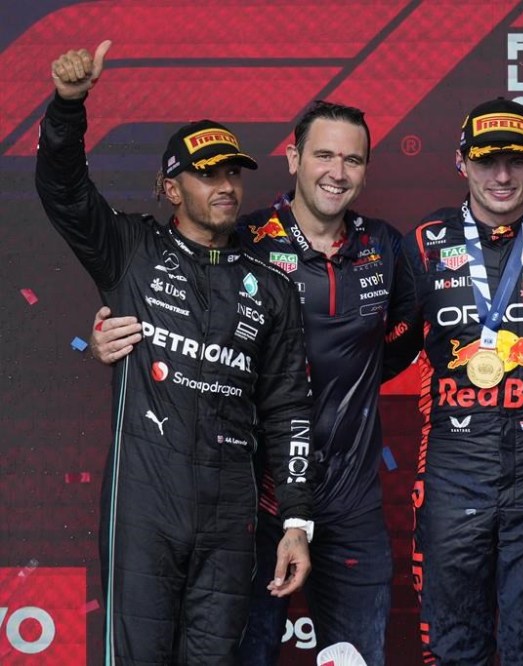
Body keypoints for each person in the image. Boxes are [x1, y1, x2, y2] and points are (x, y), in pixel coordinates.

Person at [91, 100, 406, 665]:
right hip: (256, 502)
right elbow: (177, 293)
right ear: (293, 158)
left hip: (351, 499)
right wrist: (113, 334)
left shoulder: (386, 246)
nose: (338, 171)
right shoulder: (244, 240)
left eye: (353, 159)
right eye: (325, 155)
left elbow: (405, 342)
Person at [37, 42, 313, 663]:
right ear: (169, 186)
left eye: (233, 173)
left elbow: (290, 409)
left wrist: (297, 520)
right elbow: (61, 188)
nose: (225, 186)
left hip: (232, 514)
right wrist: (69, 105)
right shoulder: (129, 250)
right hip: (145, 502)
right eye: (208, 173)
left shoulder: (271, 287)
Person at [385, 97, 523, 664]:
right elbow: (382, 352)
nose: (502, 176)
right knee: (454, 643)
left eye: (516, 161)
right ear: (461, 163)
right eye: (487, 161)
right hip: (454, 468)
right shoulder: (423, 244)